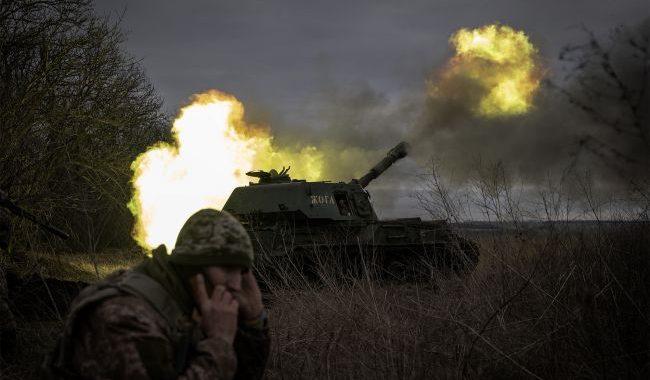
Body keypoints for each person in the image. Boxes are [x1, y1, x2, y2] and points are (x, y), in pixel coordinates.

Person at [43, 208, 270, 379]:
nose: (236, 284)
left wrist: (253, 322)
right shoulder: (126, 318)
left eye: (241, 271)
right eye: (226, 268)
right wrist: (219, 345)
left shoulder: (186, 305)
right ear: (192, 267)